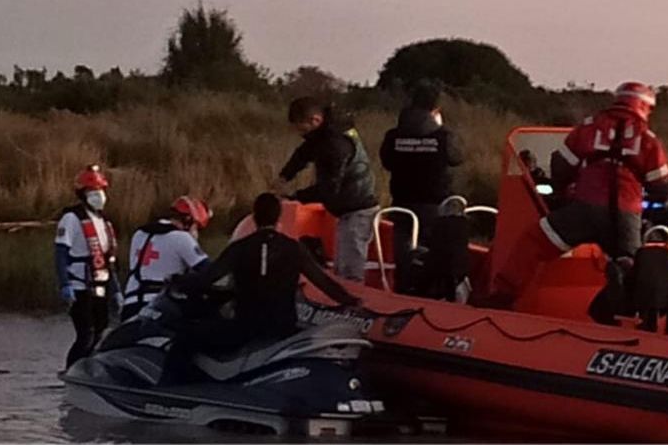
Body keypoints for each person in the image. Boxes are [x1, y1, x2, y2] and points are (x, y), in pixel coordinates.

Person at [485, 81, 668, 305]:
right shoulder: (648, 140)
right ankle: (625, 308)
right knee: (633, 263)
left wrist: (564, 188)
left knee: (534, 241)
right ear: (645, 107)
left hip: (584, 207)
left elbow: (562, 165)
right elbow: (661, 186)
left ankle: (502, 297)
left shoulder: (591, 127)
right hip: (625, 216)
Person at [179, 193, 361, 347]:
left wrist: (178, 282)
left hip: (245, 328)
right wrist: (350, 300)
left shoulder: (240, 248)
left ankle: (178, 386)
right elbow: (323, 282)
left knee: (186, 337)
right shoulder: (294, 248)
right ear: (278, 217)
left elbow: (208, 278)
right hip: (282, 329)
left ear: (255, 216)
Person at [278, 97, 380, 283]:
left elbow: (328, 187)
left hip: (358, 207)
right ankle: (344, 295)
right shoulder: (323, 135)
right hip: (346, 208)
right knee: (341, 266)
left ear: (315, 120)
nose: (300, 133)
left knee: (350, 268)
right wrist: (285, 175)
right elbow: (304, 153)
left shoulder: (335, 145)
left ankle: (352, 302)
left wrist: (295, 197)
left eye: (302, 128)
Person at [379, 84, 465, 289]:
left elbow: (387, 162)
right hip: (434, 204)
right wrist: (440, 128)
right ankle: (429, 294)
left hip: (401, 202)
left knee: (403, 253)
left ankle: (402, 290)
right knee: (432, 255)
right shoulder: (443, 136)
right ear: (436, 110)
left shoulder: (393, 135)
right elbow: (457, 158)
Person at [55, 164, 121, 367]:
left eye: (100, 191)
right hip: (79, 286)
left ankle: (88, 369)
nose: (98, 196)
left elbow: (108, 261)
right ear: (83, 194)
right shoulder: (71, 219)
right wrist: (65, 284)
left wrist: (116, 290)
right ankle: (71, 372)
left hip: (100, 285)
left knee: (101, 331)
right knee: (86, 333)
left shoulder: (104, 222)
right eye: (93, 192)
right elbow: (60, 253)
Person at [122, 195, 212, 316]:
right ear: (188, 221)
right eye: (197, 227)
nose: (196, 232)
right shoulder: (182, 238)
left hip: (130, 305)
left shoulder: (139, 234)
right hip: (160, 307)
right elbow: (209, 271)